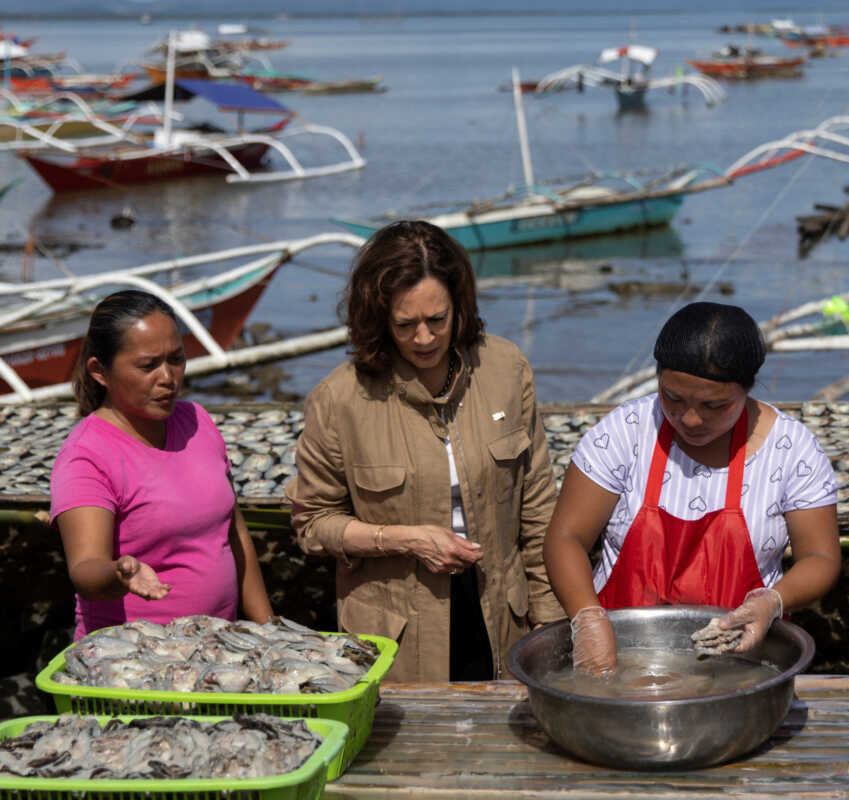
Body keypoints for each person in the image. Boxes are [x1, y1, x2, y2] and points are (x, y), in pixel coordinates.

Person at [286, 220, 563, 682]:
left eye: (438, 320)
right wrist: (406, 539)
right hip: (395, 636)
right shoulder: (339, 399)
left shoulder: (506, 369)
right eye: (404, 324)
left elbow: (536, 507)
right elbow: (312, 524)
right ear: (377, 318)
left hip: (501, 615)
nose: (424, 339)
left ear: (460, 306)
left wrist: (551, 620)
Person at [544, 302, 841, 674]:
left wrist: (772, 601)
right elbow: (566, 537)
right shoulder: (624, 432)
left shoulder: (792, 449)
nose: (690, 419)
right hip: (621, 654)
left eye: (714, 405)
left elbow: (820, 558)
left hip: (739, 660)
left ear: (747, 389)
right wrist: (586, 617)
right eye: (673, 398)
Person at [50, 290, 273, 639]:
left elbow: (234, 532)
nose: (168, 378)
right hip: (133, 664)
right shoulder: (87, 455)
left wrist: (268, 633)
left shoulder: (197, 420)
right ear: (99, 371)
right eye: (148, 365)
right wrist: (119, 573)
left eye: (177, 359)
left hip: (218, 653)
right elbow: (84, 569)